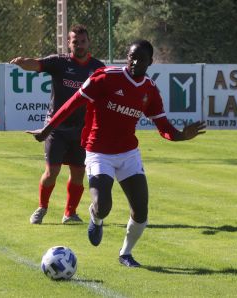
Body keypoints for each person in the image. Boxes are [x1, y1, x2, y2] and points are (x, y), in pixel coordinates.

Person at [27, 39, 206, 267]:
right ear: (127, 57)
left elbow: (164, 128)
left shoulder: (150, 90)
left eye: (141, 59)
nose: (134, 62)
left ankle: (125, 254)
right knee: (103, 205)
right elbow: (72, 103)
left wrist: (182, 135)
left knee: (141, 211)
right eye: (131, 56)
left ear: (150, 62)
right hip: (98, 152)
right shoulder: (106, 77)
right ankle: (96, 217)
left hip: (129, 154)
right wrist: (48, 128)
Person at [10, 24, 105, 224]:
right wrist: (22, 63)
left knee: (78, 173)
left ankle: (70, 213)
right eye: (75, 42)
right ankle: (42, 207)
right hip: (56, 128)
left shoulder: (98, 68)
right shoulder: (59, 62)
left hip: (82, 130)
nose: (79, 45)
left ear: (88, 43)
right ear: (68, 43)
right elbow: (36, 64)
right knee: (51, 172)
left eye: (82, 41)